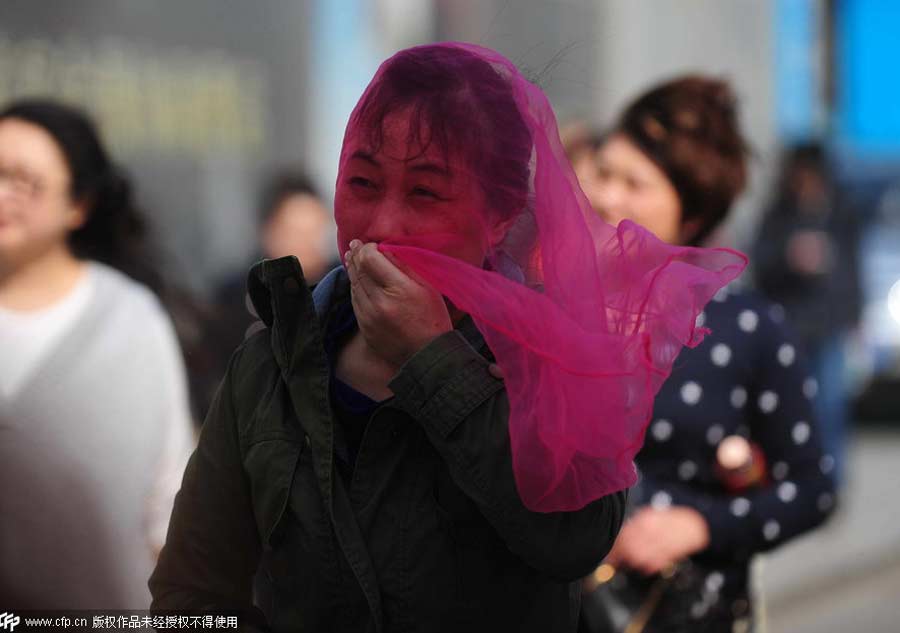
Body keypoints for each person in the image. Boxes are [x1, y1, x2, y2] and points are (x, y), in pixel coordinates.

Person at [151, 44, 741, 632]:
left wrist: (434, 360)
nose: (381, 224)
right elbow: (192, 591)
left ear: (502, 215)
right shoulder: (271, 361)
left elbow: (575, 538)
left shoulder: (548, 357)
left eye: (425, 193)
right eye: (362, 182)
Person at [575, 77, 837, 632]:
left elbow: (812, 489)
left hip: (688, 611)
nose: (606, 196)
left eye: (634, 182)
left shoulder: (745, 327)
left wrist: (699, 525)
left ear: (689, 216)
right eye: (602, 170)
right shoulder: (549, 304)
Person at [0, 99, 195, 608]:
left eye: (23, 181)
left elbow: (168, 492)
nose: (2, 195)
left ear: (77, 205)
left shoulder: (129, 318)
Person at [753, 144, 861, 486]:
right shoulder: (779, 214)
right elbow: (760, 263)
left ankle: (831, 481)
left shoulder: (841, 213)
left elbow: (853, 272)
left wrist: (855, 315)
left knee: (831, 406)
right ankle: (798, 476)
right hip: (791, 325)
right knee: (792, 407)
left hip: (829, 325)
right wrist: (790, 257)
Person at [201, 171, 338, 419]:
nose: (307, 244)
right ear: (269, 231)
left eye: (315, 231)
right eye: (295, 232)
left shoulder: (341, 290)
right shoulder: (234, 298)